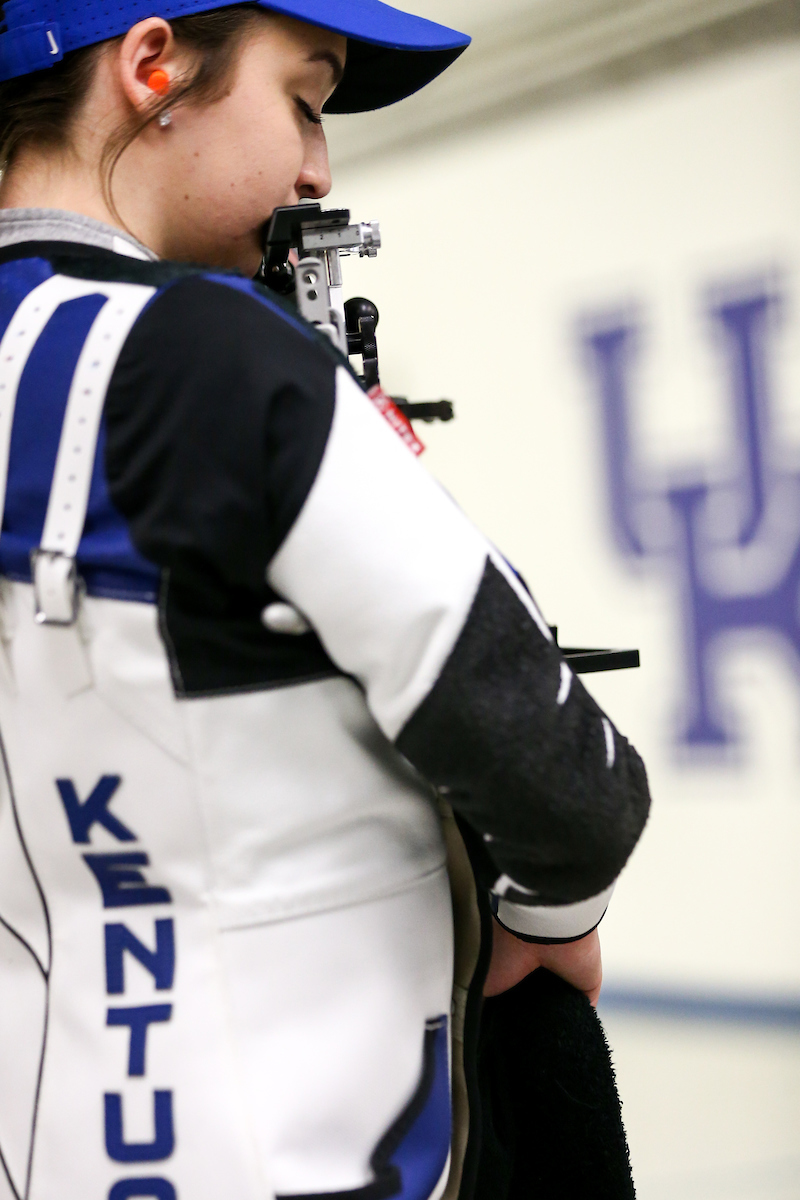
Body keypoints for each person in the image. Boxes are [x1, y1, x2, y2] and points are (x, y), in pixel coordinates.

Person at [0, 3, 650, 1199]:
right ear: (152, 66)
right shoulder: (209, 357)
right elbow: (567, 781)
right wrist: (551, 918)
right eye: (302, 101)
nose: (318, 166)